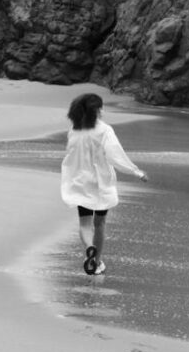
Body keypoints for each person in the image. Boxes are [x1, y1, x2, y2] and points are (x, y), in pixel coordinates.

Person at [60, 93, 148, 275]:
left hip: (81, 182)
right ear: (96, 111)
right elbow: (115, 155)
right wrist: (136, 171)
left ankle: (89, 249)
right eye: (100, 108)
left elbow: (70, 156)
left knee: (85, 224)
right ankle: (96, 262)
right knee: (100, 223)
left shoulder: (74, 130)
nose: (102, 111)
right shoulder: (104, 130)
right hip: (101, 183)